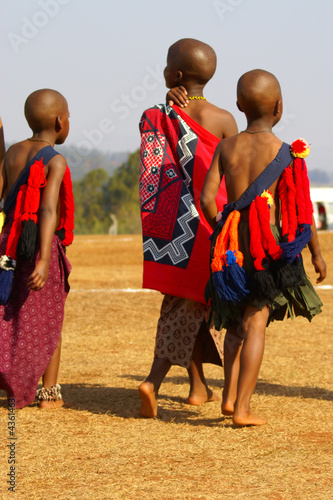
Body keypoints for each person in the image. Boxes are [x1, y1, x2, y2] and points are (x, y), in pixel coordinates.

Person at [200, 69, 327, 426]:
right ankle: (242, 409)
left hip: (231, 247)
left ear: (239, 105)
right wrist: (315, 253)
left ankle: (227, 398)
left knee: (235, 323)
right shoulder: (288, 154)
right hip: (265, 249)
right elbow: (299, 212)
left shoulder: (226, 146)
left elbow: (207, 197)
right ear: (279, 107)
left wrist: (223, 230)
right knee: (256, 321)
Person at [138, 38, 238, 417]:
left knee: (183, 308)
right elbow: (235, 174)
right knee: (188, 309)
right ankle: (154, 381)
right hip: (213, 227)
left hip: (176, 234)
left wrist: (166, 104)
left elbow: (152, 145)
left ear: (175, 75)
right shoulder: (225, 119)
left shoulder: (161, 114)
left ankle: (196, 388)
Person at [0, 89, 75, 409]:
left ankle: (12, 379)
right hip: (38, 247)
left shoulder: (12, 153)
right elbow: (48, 211)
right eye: (68, 116)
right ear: (60, 122)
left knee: (9, 312)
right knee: (49, 317)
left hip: (7, 245)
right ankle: (48, 393)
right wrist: (45, 259)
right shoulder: (55, 160)